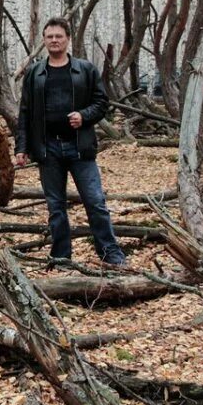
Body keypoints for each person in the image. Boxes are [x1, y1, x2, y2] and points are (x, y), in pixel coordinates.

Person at [14, 17, 128, 267]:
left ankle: (111, 254)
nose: (54, 40)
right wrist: (21, 148)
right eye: (49, 37)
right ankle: (61, 256)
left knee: (95, 201)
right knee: (56, 206)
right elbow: (25, 113)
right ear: (44, 41)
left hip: (80, 147)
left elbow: (102, 103)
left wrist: (83, 116)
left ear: (68, 39)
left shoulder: (85, 70)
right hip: (47, 149)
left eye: (59, 36)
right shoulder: (34, 73)